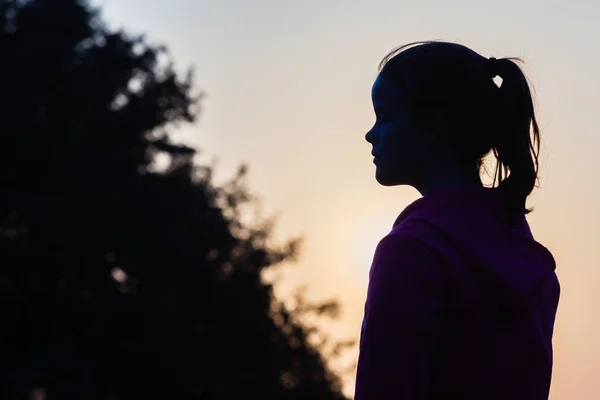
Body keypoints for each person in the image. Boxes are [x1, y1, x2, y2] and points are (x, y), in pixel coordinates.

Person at [356, 41, 560, 399]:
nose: (371, 134)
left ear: (434, 125)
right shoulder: (533, 267)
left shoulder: (410, 252)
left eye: (384, 117)